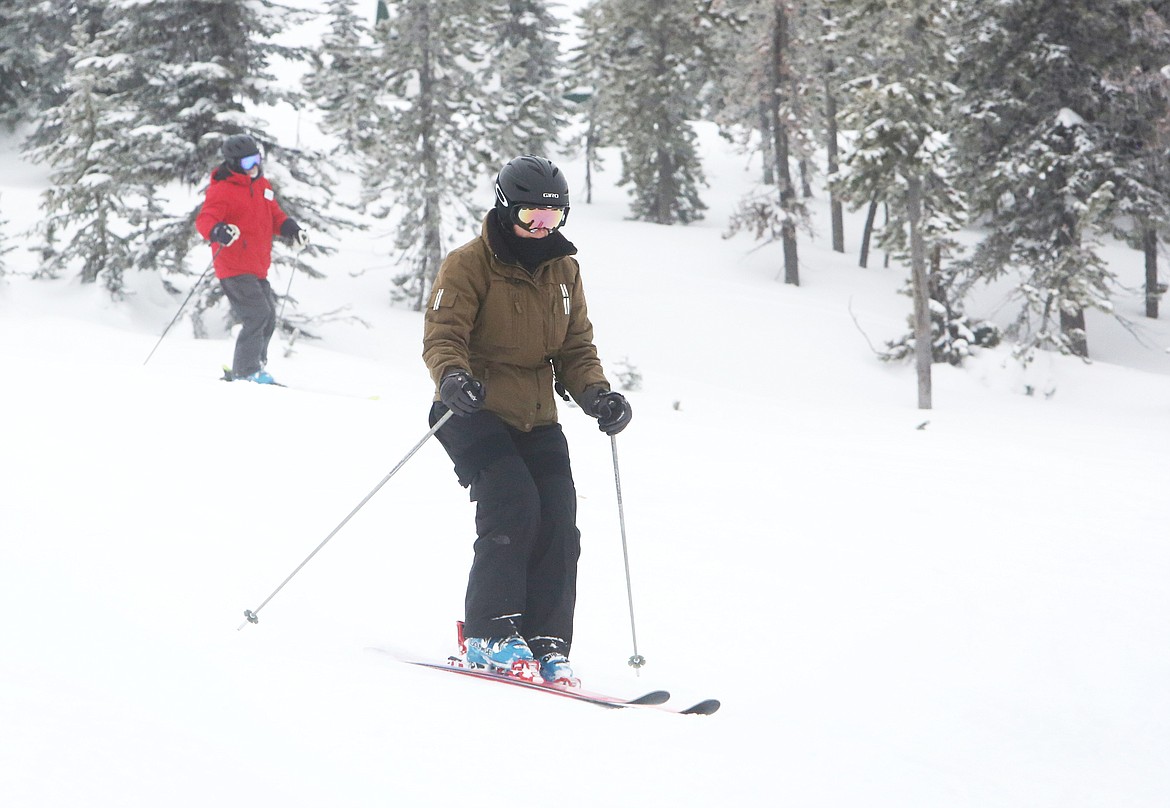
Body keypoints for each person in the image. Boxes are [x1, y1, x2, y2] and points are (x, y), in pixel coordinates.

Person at [422, 155, 632, 687]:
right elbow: (444, 333)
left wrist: (598, 395)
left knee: (560, 521)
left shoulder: (564, 269)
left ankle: (545, 640)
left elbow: (576, 347)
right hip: (471, 409)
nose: (542, 226)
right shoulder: (468, 264)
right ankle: (491, 633)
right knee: (513, 504)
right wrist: (452, 377)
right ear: (505, 209)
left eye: (553, 216)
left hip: (537, 414)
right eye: (530, 215)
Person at [195, 134, 310, 384]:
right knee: (257, 314)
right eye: (248, 163)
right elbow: (205, 220)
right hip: (233, 266)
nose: (255, 167)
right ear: (234, 164)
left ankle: (254, 366)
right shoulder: (223, 190)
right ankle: (246, 372)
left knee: (267, 315)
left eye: (257, 160)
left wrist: (292, 230)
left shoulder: (262, 186)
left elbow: (275, 216)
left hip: (256, 266)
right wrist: (219, 231)